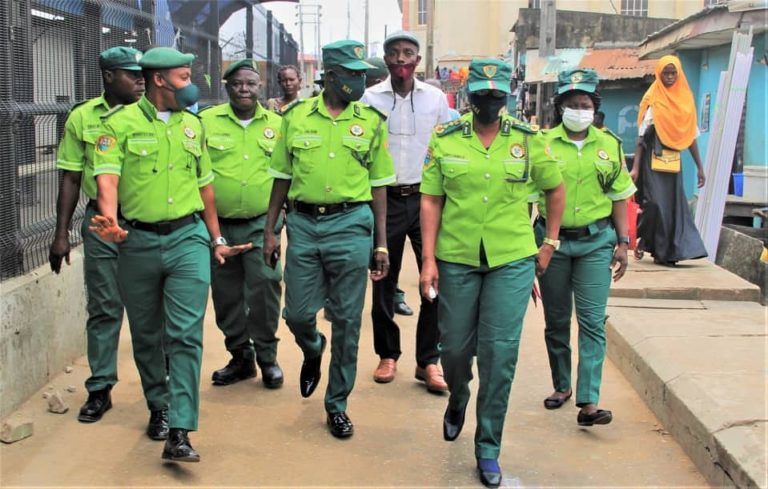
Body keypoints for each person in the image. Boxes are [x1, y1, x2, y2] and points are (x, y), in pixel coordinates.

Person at [90, 47, 250, 462]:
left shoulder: (193, 127)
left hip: (187, 239)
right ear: (160, 80)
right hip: (136, 242)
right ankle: (158, 404)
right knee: (147, 334)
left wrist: (216, 239)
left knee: (184, 335)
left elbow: (206, 187)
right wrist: (109, 219)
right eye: (184, 76)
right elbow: (107, 177)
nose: (191, 83)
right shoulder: (118, 125)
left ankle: (179, 429)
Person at [420, 58, 565, 487]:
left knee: (500, 355)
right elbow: (431, 199)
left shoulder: (529, 140)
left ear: (507, 97)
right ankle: (459, 397)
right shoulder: (445, 139)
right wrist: (428, 259)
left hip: (512, 259)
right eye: (481, 95)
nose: (488, 102)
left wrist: (549, 242)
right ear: (469, 96)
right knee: (455, 351)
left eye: (496, 96)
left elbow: (555, 189)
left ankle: (488, 447)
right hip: (457, 257)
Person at [263, 40, 395, 439]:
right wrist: (271, 230)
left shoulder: (371, 121)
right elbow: (282, 177)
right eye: (353, 73)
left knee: (348, 321)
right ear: (332, 76)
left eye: (362, 74)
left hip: (352, 225)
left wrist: (381, 243)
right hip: (303, 225)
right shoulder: (296, 117)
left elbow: (379, 186)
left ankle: (337, 404)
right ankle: (312, 347)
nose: (362, 80)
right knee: (297, 314)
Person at [534, 68, 636, 428]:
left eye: (585, 104)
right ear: (560, 107)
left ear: (594, 108)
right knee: (556, 320)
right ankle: (561, 385)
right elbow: (529, 199)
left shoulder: (609, 145)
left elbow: (620, 196)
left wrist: (624, 242)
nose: (579, 109)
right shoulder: (542, 143)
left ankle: (589, 400)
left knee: (592, 321)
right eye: (572, 104)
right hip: (553, 243)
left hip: (596, 243)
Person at [49, 47, 144, 424]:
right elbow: (71, 177)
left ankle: (162, 388)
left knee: (150, 310)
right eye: (130, 74)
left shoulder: (152, 115)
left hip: (145, 223)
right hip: (101, 225)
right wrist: (61, 235)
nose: (140, 79)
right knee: (104, 308)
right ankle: (100, 388)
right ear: (108, 76)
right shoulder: (83, 118)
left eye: (142, 74)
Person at [361, 30, 450, 391]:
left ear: (418, 60)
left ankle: (428, 361)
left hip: (428, 197)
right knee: (384, 279)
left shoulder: (436, 99)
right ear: (385, 60)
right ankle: (387, 354)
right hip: (385, 199)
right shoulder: (369, 99)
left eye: (408, 53)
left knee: (435, 279)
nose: (401, 58)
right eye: (394, 53)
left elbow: (447, 143)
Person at [200, 59, 285, 389]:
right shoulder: (206, 122)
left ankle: (267, 357)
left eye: (251, 83)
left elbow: (286, 174)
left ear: (260, 87)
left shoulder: (277, 125)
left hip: (261, 224)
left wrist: (277, 224)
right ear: (227, 88)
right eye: (237, 84)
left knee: (265, 286)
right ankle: (240, 357)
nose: (244, 89)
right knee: (226, 295)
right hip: (218, 225)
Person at [630, 55, 707, 266]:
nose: (670, 77)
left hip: (673, 161)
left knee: (672, 206)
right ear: (659, 73)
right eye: (666, 73)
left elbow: (690, 136)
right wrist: (635, 167)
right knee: (654, 204)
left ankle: (665, 254)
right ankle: (643, 238)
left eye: (674, 73)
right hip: (652, 158)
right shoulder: (653, 97)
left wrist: (700, 167)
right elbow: (641, 136)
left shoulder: (685, 100)